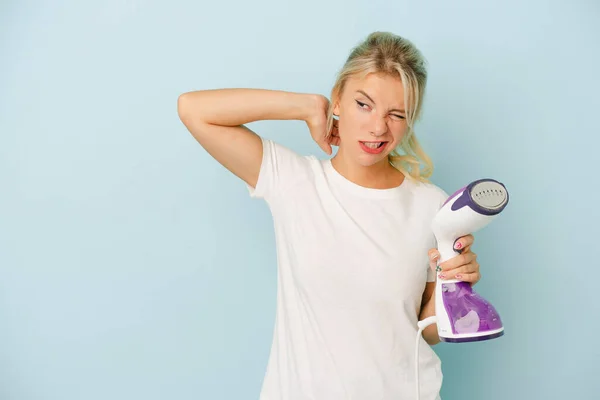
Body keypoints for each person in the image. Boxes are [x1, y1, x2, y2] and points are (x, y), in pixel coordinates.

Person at [177, 31, 481, 400]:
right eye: (363, 104)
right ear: (338, 99)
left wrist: (455, 287)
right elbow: (193, 110)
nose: (378, 127)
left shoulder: (431, 206)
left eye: (396, 114)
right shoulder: (294, 182)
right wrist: (306, 106)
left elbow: (423, 328)